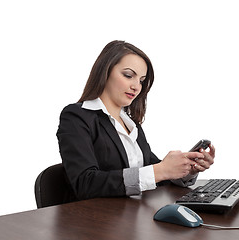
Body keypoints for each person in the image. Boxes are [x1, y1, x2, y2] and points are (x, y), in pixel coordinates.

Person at [57, 40, 215, 201]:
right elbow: (85, 183)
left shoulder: (132, 124)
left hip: (134, 215)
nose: (136, 86)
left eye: (141, 80)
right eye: (128, 75)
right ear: (105, 71)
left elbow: (153, 175)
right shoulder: (76, 116)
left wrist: (188, 169)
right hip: (97, 220)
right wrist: (159, 170)